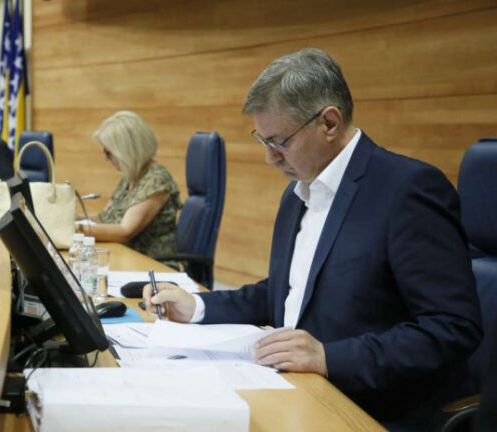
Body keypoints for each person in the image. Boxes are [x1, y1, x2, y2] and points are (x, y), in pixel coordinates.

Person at [143, 48, 482, 431]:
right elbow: (285, 292)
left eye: (280, 142)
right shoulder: (298, 193)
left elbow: (451, 329)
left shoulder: (407, 190)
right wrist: (198, 307)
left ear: (329, 123)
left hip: (366, 408)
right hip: (291, 389)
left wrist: (328, 356)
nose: (271, 158)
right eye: (263, 142)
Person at [82, 110, 180, 258]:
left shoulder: (156, 180)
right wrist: (71, 218)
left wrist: (75, 229)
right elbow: (104, 218)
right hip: (125, 257)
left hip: (151, 264)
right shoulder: (131, 177)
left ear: (126, 151)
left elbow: (125, 231)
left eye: (108, 152)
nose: (106, 158)